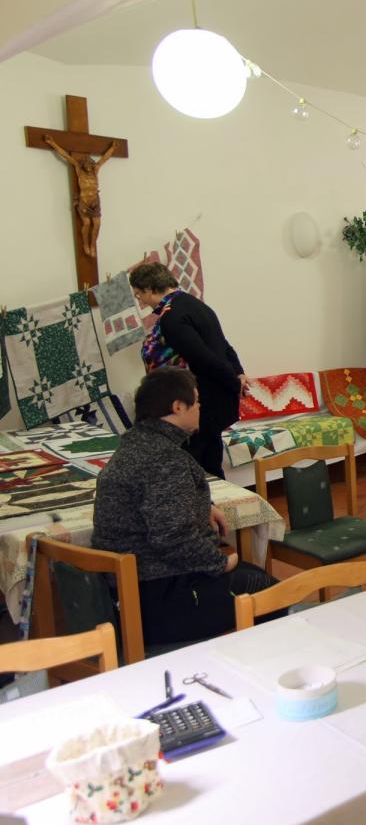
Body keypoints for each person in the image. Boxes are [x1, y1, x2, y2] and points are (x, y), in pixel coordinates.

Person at [91, 368, 278, 645]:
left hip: (133, 593)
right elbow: (173, 537)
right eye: (197, 400)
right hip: (158, 600)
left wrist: (203, 505)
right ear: (178, 406)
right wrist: (219, 563)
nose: (200, 407)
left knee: (255, 577)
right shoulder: (164, 458)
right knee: (271, 593)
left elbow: (156, 500)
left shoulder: (137, 443)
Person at [129, 260, 248, 478]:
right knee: (211, 464)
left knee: (198, 469)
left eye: (139, 295)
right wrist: (238, 374)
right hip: (214, 398)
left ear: (150, 289)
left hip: (202, 403)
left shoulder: (172, 317)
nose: (141, 302)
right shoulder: (196, 305)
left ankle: (206, 501)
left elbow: (202, 358)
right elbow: (225, 346)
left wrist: (235, 383)